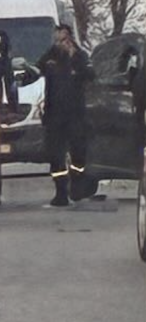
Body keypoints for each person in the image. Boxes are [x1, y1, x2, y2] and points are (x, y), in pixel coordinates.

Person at [36, 23, 94, 206]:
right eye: (56, 39)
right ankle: (60, 192)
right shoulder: (50, 56)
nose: (59, 43)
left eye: (62, 39)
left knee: (78, 151)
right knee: (55, 154)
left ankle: (76, 183)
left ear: (69, 39)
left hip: (76, 114)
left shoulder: (80, 56)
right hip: (54, 114)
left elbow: (91, 74)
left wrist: (74, 61)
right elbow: (37, 69)